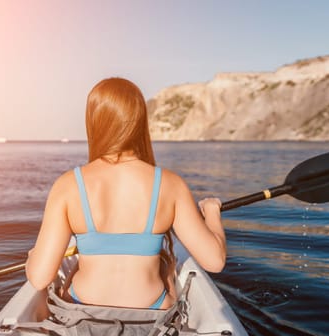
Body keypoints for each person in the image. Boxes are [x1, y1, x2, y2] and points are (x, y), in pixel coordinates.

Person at [26, 77, 225, 310]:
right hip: (151, 316)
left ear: (93, 122)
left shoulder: (68, 185)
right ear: (140, 122)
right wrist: (212, 213)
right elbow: (215, 261)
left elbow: (39, 278)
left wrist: (32, 257)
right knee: (167, 271)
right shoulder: (170, 184)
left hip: (83, 315)